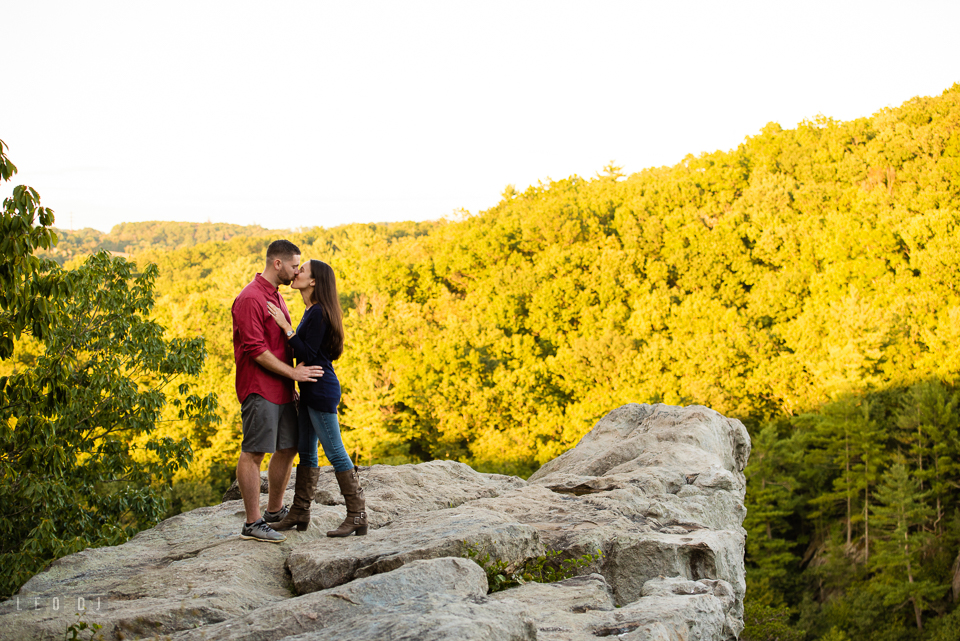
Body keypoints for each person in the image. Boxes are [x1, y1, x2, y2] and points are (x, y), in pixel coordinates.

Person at [232, 240, 325, 543]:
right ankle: (252, 522)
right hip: (259, 388)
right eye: (294, 266)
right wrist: (295, 373)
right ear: (277, 264)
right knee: (254, 452)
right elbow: (257, 351)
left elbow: (284, 343)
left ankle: (273, 512)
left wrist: (291, 383)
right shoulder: (250, 298)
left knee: (288, 447)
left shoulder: (277, 297)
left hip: (283, 388)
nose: (297, 271)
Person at [267, 259, 367, 537]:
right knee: (307, 451)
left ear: (313, 281)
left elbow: (309, 354)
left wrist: (285, 328)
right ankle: (300, 511)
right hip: (310, 389)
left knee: (334, 452)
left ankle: (357, 514)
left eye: (303, 270)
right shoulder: (311, 311)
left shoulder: (319, 312)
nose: (296, 273)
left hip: (321, 390)